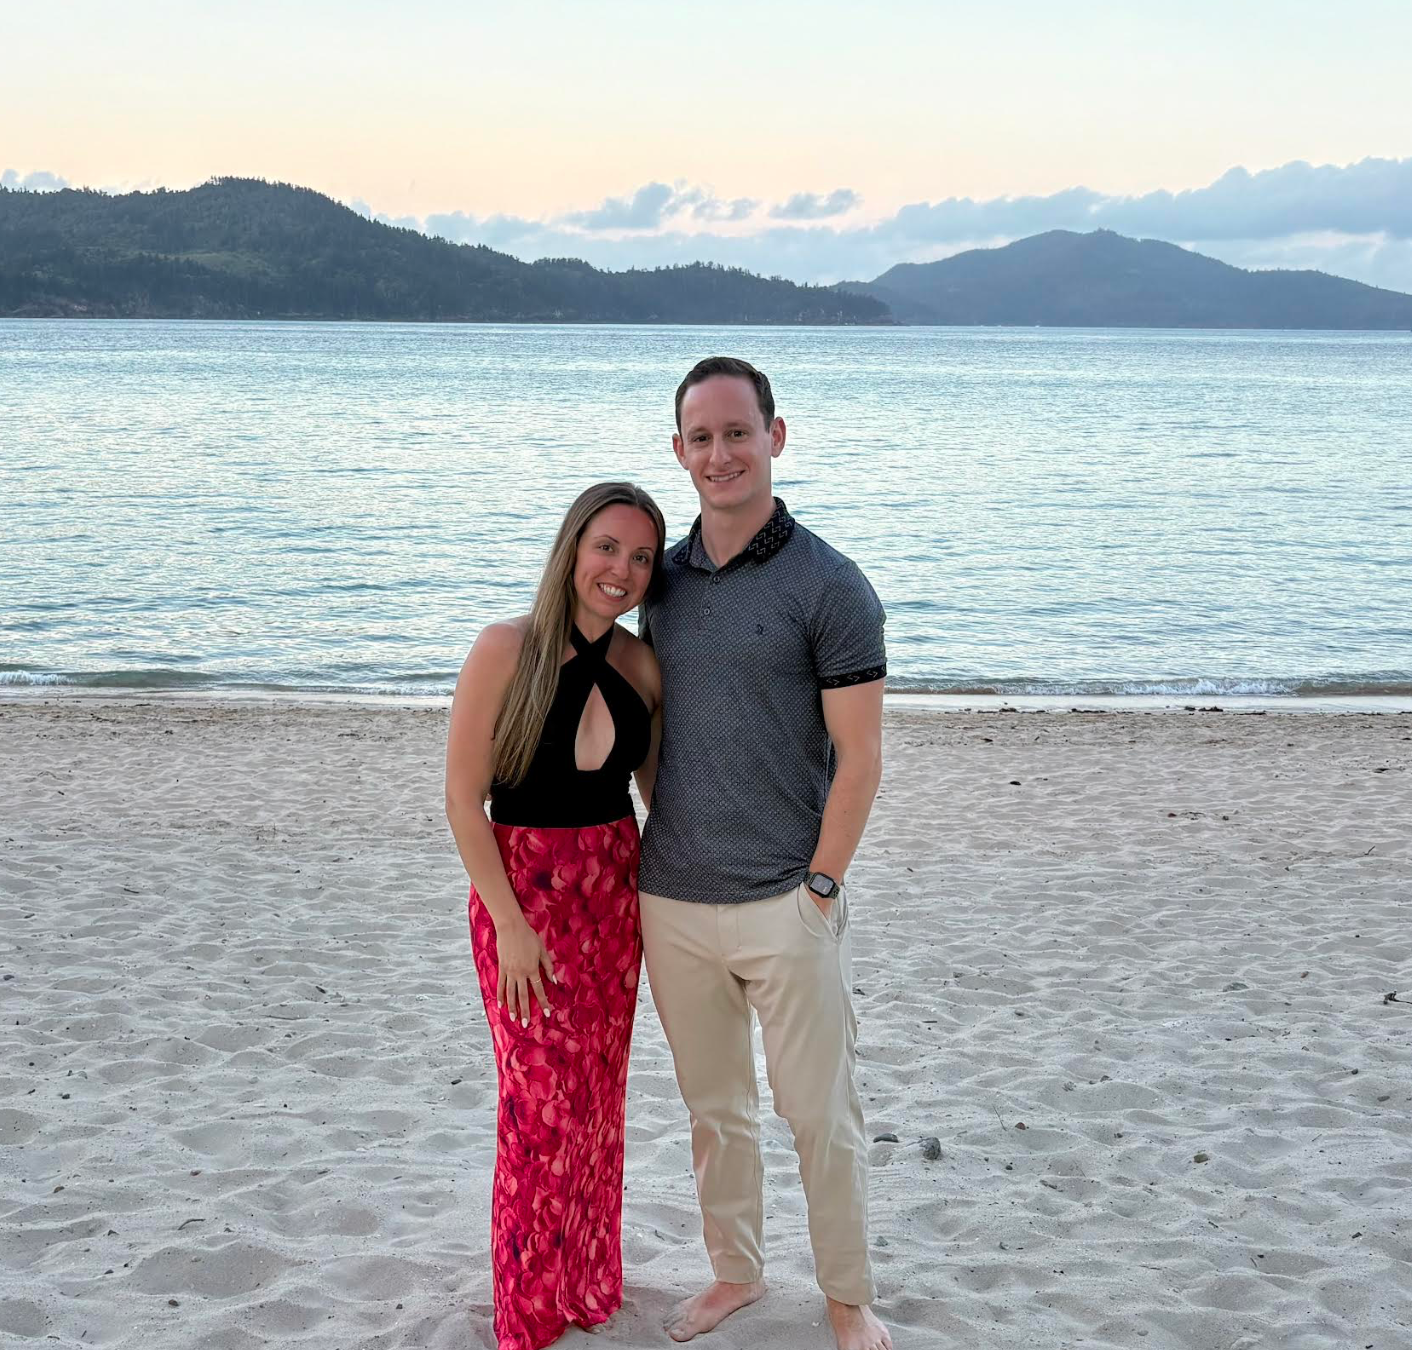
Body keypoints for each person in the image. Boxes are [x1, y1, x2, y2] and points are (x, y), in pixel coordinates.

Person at [638, 357, 892, 1350]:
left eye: (736, 432)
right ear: (678, 453)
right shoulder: (659, 581)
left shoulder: (829, 586)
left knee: (819, 1116)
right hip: (673, 898)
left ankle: (845, 1296)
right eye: (700, 438)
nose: (720, 454)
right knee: (715, 1111)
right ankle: (735, 1273)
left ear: (774, 437)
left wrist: (820, 888)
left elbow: (861, 758)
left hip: (789, 897)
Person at [445, 481, 665, 1350]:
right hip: (524, 896)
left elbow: (659, 797)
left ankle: (583, 1280)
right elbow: (464, 803)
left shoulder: (644, 667)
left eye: (642, 557)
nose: (622, 570)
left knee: (596, 1103)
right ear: (574, 547)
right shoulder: (507, 649)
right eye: (608, 547)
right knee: (537, 1107)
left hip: (615, 895)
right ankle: (530, 1308)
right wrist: (511, 924)